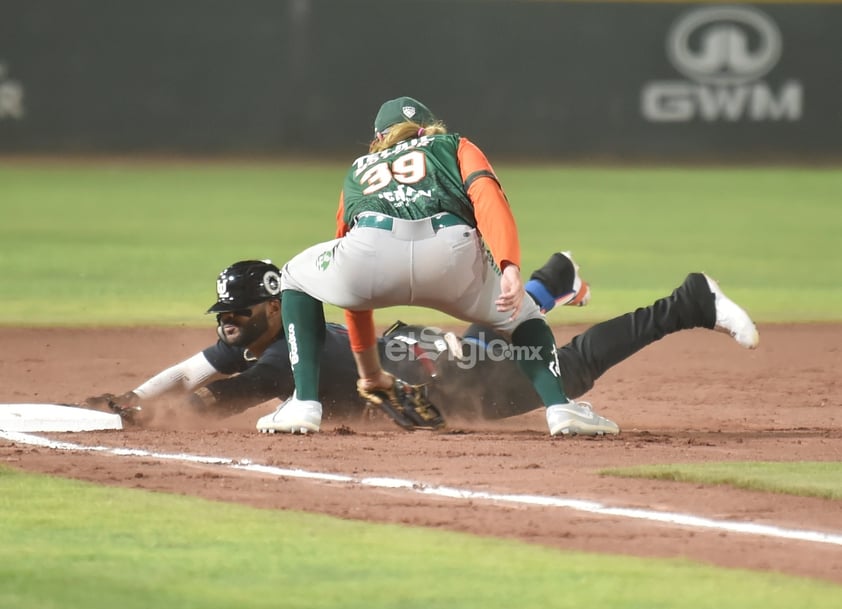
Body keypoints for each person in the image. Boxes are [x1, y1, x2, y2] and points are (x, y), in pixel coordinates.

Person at [253, 96, 758, 437]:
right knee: (524, 319)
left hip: (368, 256)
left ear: (379, 139)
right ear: (428, 128)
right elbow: (489, 199)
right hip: (449, 252)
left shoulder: (359, 170)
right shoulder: (454, 145)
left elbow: (351, 290)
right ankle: (560, 410)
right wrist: (510, 266)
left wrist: (371, 374)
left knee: (298, 277)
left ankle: (304, 403)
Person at [84, 256, 759, 430]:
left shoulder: (288, 351)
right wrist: (136, 396)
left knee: (569, 367)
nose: (227, 325)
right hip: (418, 351)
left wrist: (154, 416)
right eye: (224, 316)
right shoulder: (276, 333)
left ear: (270, 305)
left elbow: (225, 395)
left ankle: (688, 301)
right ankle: (552, 280)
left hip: (432, 374)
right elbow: (195, 367)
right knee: (495, 337)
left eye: (238, 314)